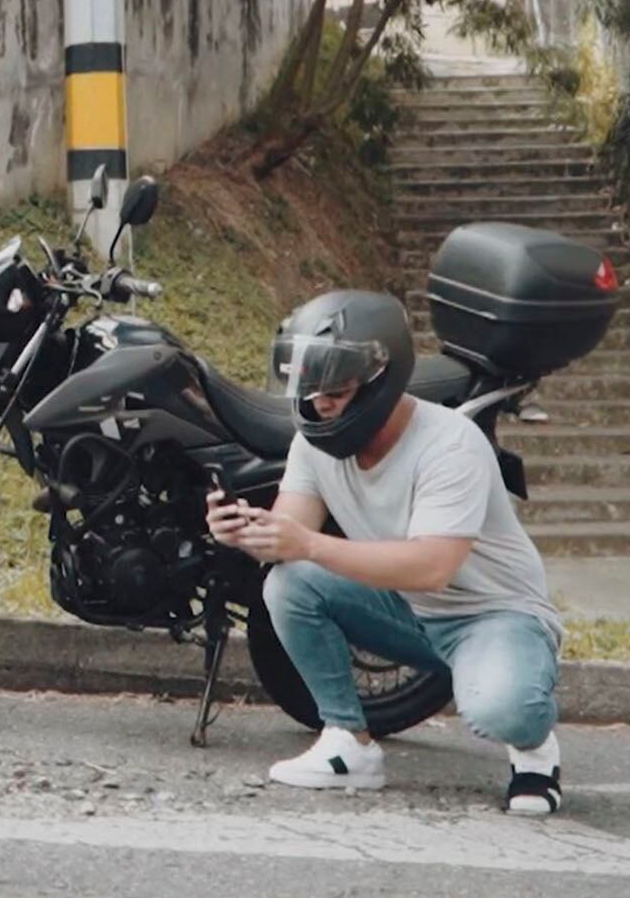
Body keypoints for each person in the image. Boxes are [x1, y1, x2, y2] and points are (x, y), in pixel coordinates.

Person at [205, 291, 565, 815]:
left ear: (383, 377)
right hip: (407, 614)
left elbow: (432, 567)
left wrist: (306, 543)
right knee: (289, 583)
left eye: (336, 386)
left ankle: (535, 751)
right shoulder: (314, 442)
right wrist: (243, 530)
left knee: (501, 710)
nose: (320, 400)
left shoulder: (451, 443)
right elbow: (292, 534)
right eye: (310, 385)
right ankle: (348, 743)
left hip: (492, 616)